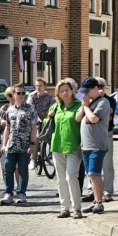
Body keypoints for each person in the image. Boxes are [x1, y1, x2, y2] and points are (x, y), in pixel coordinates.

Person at [49, 79, 83, 219]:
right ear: (58, 93)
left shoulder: (79, 105)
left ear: (72, 91)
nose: (64, 92)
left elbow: (81, 122)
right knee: (61, 179)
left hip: (74, 146)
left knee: (71, 177)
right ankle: (64, 208)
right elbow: (48, 119)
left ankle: (77, 208)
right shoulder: (56, 107)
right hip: (57, 145)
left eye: (67, 90)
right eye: (61, 90)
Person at [0, 84, 39, 205]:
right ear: (14, 94)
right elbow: (7, 128)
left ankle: (21, 193)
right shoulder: (9, 110)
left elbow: (34, 128)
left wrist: (32, 144)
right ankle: (8, 193)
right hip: (11, 144)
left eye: (23, 93)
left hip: (24, 144)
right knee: (8, 169)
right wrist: (4, 144)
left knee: (22, 170)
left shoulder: (30, 109)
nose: (21, 95)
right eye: (18, 93)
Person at [76, 77, 110, 214]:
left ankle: (99, 202)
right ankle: (96, 200)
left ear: (95, 89)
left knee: (95, 174)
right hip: (86, 145)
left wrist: (85, 107)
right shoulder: (89, 103)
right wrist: (83, 106)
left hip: (97, 144)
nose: (85, 95)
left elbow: (94, 119)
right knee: (90, 174)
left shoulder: (103, 102)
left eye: (87, 91)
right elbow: (77, 118)